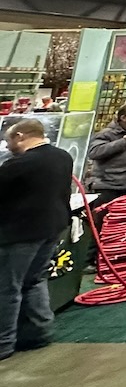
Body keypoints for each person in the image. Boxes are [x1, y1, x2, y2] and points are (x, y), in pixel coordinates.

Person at [0, 119, 73, 361]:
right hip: (52, 229)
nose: (8, 146)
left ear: (20, 136)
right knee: (34, 281)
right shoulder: (62, 156)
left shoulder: (20, 164)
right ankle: (40, 332)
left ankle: (3, 343)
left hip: (20, 234)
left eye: (9, 140)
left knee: (6, 288)